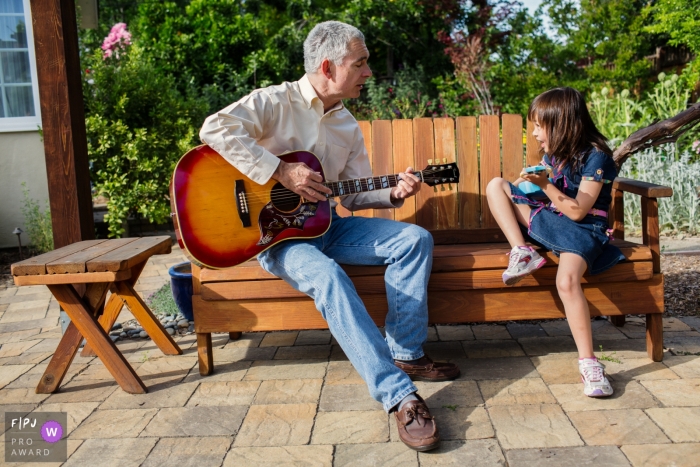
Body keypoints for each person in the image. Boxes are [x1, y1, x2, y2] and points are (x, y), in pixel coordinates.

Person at [199, 20, 459, 451]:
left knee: (414, 240)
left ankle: (407, 355)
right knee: (329, 277)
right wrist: (280, 170)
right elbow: (214, 128)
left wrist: (394, 191)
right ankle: (399, 396)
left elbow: (354, 195)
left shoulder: (346, 126)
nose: (368, 73)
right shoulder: (274, 102)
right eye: (360, 64)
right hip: (279, 240)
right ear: (327, 66)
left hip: (329, 227)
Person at [485, 87, 625, 398]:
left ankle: (590, 363)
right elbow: (544, 196)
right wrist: (527, 184)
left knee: (566, 281)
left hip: (584, 231)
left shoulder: (596, 157)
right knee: (497, 185)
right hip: (553, 221)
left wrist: (545, 184)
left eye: (538, 125)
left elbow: (577, 212)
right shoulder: (555, 157)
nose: (534, 134)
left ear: (561, 123)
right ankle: (522, 251)